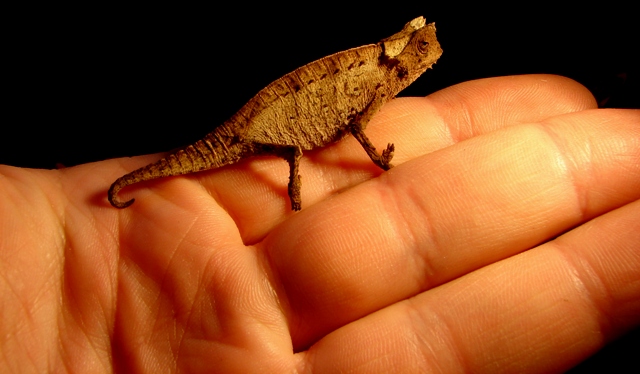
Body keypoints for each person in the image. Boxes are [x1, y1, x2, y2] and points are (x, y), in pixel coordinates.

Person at [1, 75, 638, 373]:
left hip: (277, 129)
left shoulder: (374, 72)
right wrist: (378, 161)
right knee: (229, 156)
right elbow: (356, 124)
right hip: (271, 130)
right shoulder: (371, 78)